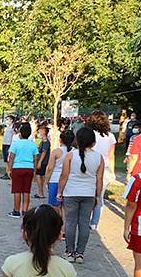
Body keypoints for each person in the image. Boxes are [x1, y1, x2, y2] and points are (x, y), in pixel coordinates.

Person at [57, 127, 104, 264]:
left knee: (70, 222)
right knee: (84, 224)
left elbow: (64, 176)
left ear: (77, 140)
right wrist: (97, 196)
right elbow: (99, 179)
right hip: (89, 194)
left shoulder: (70, 155)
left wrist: (60, 192)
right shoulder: (99, 157)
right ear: (93, 142)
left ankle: (69, 252)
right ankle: (80, 254)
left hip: (71, 193)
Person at [87, 111, 117, 230]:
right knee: (99, 196)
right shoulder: (110, 136)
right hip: (105, 168)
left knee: (88, 195)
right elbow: (111, 155)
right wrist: (112, 172)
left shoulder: (90, 134)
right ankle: (94, 222)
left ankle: (86, 218)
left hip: (90, 166)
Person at [7, 123, 38, 218]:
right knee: (26, 191)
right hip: (29, 168)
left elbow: (11, 157)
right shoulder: (33, 144)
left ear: (20, 133)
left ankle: (16, 211)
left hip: (17, 167)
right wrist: (35, 170)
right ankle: (25, 211)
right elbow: (35, 158)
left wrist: (9, 169)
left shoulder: (16, 144)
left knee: (17, 190)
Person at [121, 174, 141, 277]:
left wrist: (126, 227)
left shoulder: (138, 179)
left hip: (140, 227)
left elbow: (131, 204)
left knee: (140, 265)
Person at [44, 130, 74, 221]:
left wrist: (46, 181)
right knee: (65, 207)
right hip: (69, 181)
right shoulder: (75, 152)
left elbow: (50, 168)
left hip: (55, 180)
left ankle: (57, 227)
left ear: (60, 140)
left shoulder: (56, 152)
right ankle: (64, 228)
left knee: (54, 206)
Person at [34, 126, 51, 199]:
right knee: (40, 176)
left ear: (44, 132)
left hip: (43, 162)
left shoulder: (46, 141)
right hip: (41, 161)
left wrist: (39, 162)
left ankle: (41, 193)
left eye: (41, 130)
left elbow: (44, 152)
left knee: (39, 176)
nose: (39, 132)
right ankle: (41, 192)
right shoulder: (42, 141)